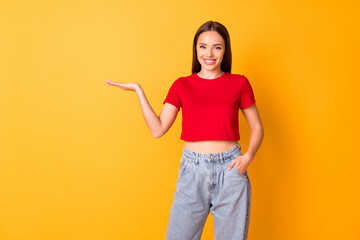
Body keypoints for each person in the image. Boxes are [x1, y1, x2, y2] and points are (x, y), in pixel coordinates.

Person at [105, 20, 263, 240]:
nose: (209, 53)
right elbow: (157, 129)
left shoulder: (239, 83)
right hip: (192, 169)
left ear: (225, 50)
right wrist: (138, 91)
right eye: (203, 46)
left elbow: (256, 128)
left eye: (217, 47)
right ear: (195, 49)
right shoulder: (181, 85)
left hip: (231, 170)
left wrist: (248, 158)